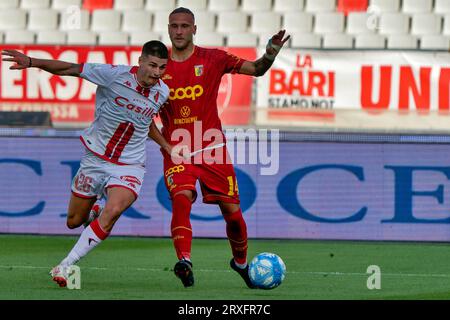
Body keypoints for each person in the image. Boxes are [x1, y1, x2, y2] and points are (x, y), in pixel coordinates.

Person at [2, 40, 170, 287]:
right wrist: (31, 62)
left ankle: (66, 264)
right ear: (141, 61)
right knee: (74, 221)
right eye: (153, 65)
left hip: (130, 165)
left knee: (114, 210)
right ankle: (94, 211)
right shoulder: (113, 75)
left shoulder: (161, 92)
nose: (156, 72)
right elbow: (69, 68)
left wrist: (165, 145)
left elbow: (146, 122)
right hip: (95, 159)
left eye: (162, 67)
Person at [148, 7, 289, 288]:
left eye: (184, 26)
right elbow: (141, 113)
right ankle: (184, 261)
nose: (178, 31)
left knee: (233, 215)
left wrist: (270, 53)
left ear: (194, 29)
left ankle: (240, 264)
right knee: (182, 197)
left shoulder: (213, 58)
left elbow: (257, 69)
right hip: (177, 150)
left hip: (212, 148)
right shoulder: (157, 66)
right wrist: (165, 144)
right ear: (168, 28)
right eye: (174, 26)